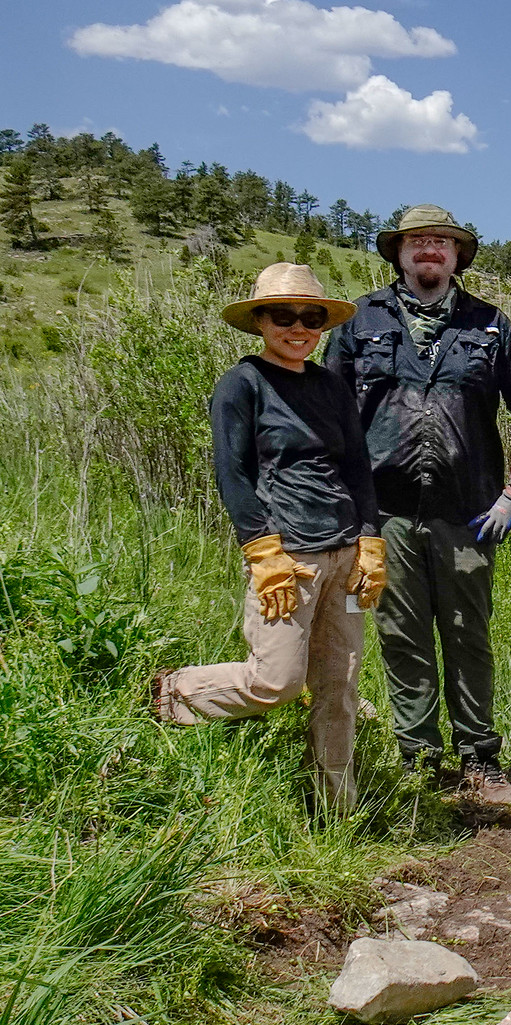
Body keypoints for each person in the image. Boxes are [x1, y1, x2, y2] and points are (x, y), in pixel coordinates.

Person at [328, 204, 511, 805]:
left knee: (468, 632)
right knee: (402, 633)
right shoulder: (358, 322)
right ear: (397, 252)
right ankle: (418, 758)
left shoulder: (491, 325)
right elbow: (332, 414)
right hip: (383, 513)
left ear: (457, 256)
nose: (429, 250)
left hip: (468, 513)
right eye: (417, 240)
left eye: (441, 242)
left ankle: (479, 758)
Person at [154, 264, 384, 812]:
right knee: (277, 681)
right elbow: (231, 473)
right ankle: (173, 693)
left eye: (311, 317)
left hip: (346, 552)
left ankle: (337, 811)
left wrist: (371, 540)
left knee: (339, 687)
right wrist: (262, 550)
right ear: (260, 320)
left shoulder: (331, 385)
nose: (298, 327)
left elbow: (356, 465)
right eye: (284, 316)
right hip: (288, 556)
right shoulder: (243, 383)